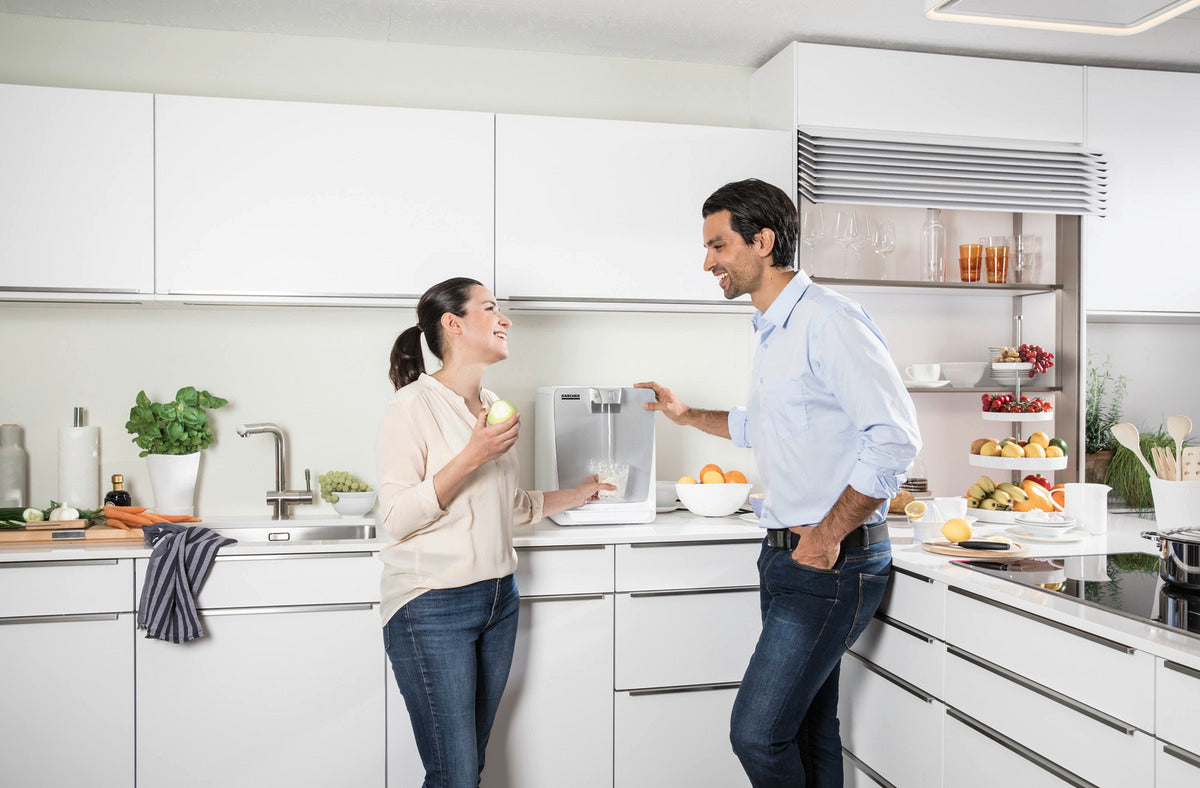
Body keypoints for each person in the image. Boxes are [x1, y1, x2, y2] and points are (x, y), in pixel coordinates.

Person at [636, 180, 920, 787]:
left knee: (757, 733)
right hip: (786, 557)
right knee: (809, 729)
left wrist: (825, 537)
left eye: (718, 245)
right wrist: (687, 416)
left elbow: (895, 439)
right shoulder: (771, 327)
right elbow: (764, 424)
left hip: (831, 563)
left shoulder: (830, 321)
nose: (707, 262)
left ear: (762, 242)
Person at [378, 276, 611, 788]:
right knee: (455, 774)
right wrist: (473, 455)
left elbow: (505, 505)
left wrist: (578, 494)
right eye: (489, 308)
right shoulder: (411, 406)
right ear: (453, 324)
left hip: (498, 600)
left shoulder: (489, 402)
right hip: (432, 605)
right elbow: (395, 517)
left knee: (469, 767)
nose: (504, 319)